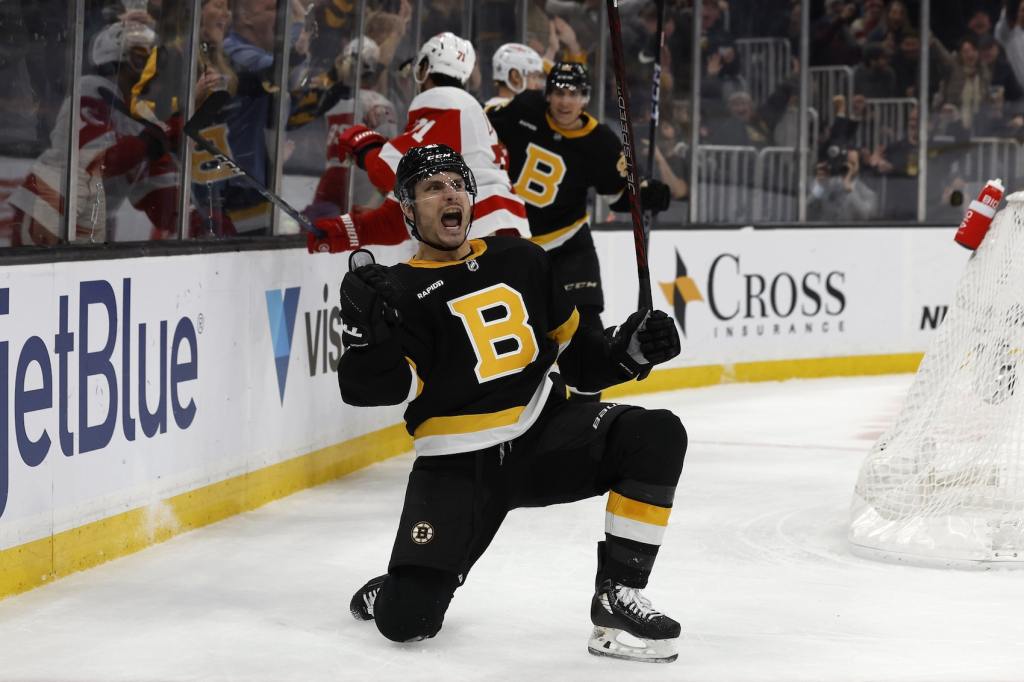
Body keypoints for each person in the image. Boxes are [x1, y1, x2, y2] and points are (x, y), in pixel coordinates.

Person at [338, 144, 687, 663]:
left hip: (546, 432)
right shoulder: (397, 289)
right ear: (409, 209)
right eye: (433, 187)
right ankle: (400, 583)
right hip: (458, 466)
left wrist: (627, 350)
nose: (449, 193)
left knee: (656, 433)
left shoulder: (520, 258)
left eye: (457, 183)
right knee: (406, 623)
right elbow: (375, 390)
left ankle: (618, 592)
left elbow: (583, 362)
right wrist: (366, 337)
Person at [486, 61, 670, 399]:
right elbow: (481, 133)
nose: (564, 101)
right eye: (558, 92)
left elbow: (618, 196)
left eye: (573, 94)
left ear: (585, 98)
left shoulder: (600, 142)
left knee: (586, 332)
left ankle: (587, 415)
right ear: (547, 94)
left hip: (569, 246)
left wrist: (644, 193)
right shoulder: (524, 109)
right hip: (516, 248)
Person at [306, 32, 530, 254]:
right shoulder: (464, 116)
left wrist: (364, 146)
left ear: (425, 68)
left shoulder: (447, 105)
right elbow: (397, 220)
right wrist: (346, 231)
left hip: (480, 231)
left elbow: (387, 171)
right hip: (499, 232)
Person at [7, 20, 182, 244]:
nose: (149, 66)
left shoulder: (145, 126)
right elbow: (101, 160)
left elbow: (168, 206)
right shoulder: (91, 89)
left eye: (154, 59)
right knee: (38, 277)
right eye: (140, 56)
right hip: (49, 206)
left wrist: (210, 224)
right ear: (114, 58)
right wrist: (160, 137)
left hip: (92, 220)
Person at [483, 42, 546, 109]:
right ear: (515, 76)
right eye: (534, 77)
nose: (538, 85)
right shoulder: (517, 113)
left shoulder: (484, 109)